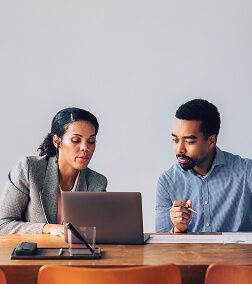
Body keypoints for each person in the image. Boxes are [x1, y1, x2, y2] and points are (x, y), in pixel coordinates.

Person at [0, 107, 107, 236]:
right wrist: (46, 228)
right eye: (76, 140)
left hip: (75, 254)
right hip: (34, 252)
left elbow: (98, 230)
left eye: (91, 141)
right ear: (57, 141)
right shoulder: (29, 169)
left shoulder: (97, 182)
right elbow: (3, 224)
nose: (85, 148)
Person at [155, 99, 252, 233]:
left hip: (237, 253)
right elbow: (162, 244)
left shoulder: (246, 172)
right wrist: (178, 229)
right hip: (189, 254)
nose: (179, 149)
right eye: (176, 140)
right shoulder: (167, 182)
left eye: (189, 141)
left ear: (211, 141)